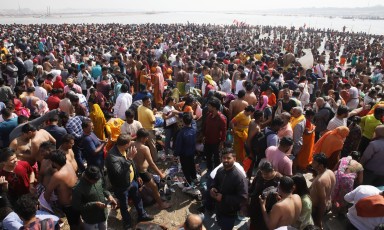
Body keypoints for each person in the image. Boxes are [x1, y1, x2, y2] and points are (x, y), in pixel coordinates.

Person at [105, 134, 153, 229]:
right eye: (130, 143)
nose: (131, 144)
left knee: (137, 198)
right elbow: (119, 173)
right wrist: (130, 158)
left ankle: (142, 215)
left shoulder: (124, 150)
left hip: (132, 182)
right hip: (121, 186)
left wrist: (137, 176)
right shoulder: (112, 157)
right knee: (124, 205)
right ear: (126, 144)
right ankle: (127, 222)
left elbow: (132, 164)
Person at [132, 128, 171, 210]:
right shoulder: (144, 148)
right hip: (143, 172)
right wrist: (161, 174)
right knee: (154, 187)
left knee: (146, 185)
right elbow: (152, 164)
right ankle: (161, 204)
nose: (147, 139)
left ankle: (153, 198)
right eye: (146, 138)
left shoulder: (131, 143)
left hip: (135, 171)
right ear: (142, 138)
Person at [210, 151, 248, 230]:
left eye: (228, 158)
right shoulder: (220, 170)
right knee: (220, 224)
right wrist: (212, 188)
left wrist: (223, 197)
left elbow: (243, 198)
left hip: (229, 213)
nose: (225, 160)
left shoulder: (239, 177)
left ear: (234, 159)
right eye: (224, 158)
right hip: (218, 208)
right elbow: (214, 182)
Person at [72, 166, 117, 230]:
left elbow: (103, 189)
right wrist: (94, 204)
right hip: (90, 220)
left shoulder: (98, 178)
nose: (97, 181)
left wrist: (109, 195)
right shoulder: (78, 188)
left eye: (98, 179)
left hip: (102, 215)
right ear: (87, 177)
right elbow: (77, 206)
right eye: (95, 180)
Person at [44, 150, 79, 230]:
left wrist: (47, 208)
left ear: (55, 163)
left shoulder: (58, 176)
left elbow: (47, 194)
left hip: (68, 206)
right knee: (78, 222)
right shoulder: (68, 164)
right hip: (76, 200)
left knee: (73, 225)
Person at [249, 161, 282, 230]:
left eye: (266, 174)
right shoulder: (259, 174)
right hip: (255, 206)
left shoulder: (279, 179)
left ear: (273, 170)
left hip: (267, 210)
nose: (263, 175)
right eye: (262, 173)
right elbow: (252, 187)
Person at [310, 153, 336, 229]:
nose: (312, 163)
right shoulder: (330, 172)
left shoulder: (320, 181)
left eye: (314, 162)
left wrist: (318, 220)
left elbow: (322, 202)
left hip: (317, 210)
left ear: (320, 166)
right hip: (328, 204)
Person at [203, 98, 227, 171]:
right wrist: (204, 137)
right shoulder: (209, 115)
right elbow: (205, 126)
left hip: (216, 142)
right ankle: (209, 170)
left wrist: (221, 143)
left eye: (209, 106)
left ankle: (217, 172)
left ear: (214, 108)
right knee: (208, 157)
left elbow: (224, 132)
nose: (208, 107)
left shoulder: (221, 119)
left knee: (217, 159)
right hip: (207, 141)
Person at [175, 113, 197, 184]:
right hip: (192, 152)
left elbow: (178, 145)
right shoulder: (194, 130)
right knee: (192, 165)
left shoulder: (181, 133)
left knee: (185, 168)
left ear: (183, 121)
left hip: (184, 154)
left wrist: (175, 154)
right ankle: (194, 178)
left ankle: (189, 181)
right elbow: (193, 122)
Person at [137, 96, 158, 161]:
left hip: (142, 129)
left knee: (143, 145)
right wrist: (153, 113)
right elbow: (153, 121)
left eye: (149, 101)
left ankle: (144, 159)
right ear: (144, 102)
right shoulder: (149, 111)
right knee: (152, 146)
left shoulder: (139, 107)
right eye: (148, 102)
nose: (149, 103)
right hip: (149, 130)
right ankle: (155, 159)